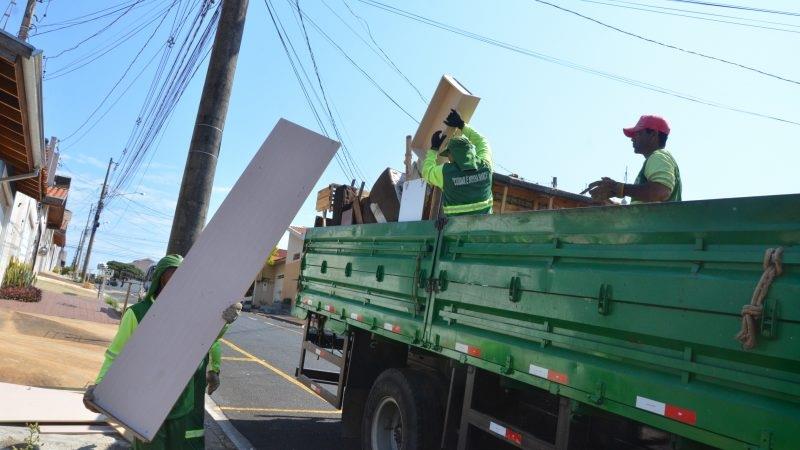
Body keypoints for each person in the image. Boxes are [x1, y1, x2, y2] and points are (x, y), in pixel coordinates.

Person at [83, 254, 242, 449]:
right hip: (147, 403)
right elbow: (116, 354)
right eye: (171, 279)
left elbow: (212, 341)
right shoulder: (138, 313)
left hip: (186, 402)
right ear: (160, 280)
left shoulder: (195, 315)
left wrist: (216, 361)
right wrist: (101, 387)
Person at [584, 114, 681, 203]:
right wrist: (614, 191)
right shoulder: (659, 157)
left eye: (638, 133)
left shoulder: (658, 156)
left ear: (653, 134)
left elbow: (660, 192)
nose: (632, 138)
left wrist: (619, 188)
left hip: (658, 222)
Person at [421, 109, 494, 216]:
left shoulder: (446, 173)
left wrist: (434, 149)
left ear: (453, 154)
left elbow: (426, 172)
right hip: (484, 229)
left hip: (456, 230)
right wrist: (461, 125)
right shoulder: (486, 166)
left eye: (448, 155)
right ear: (470, 150)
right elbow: (482, 142)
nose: (448, 158)